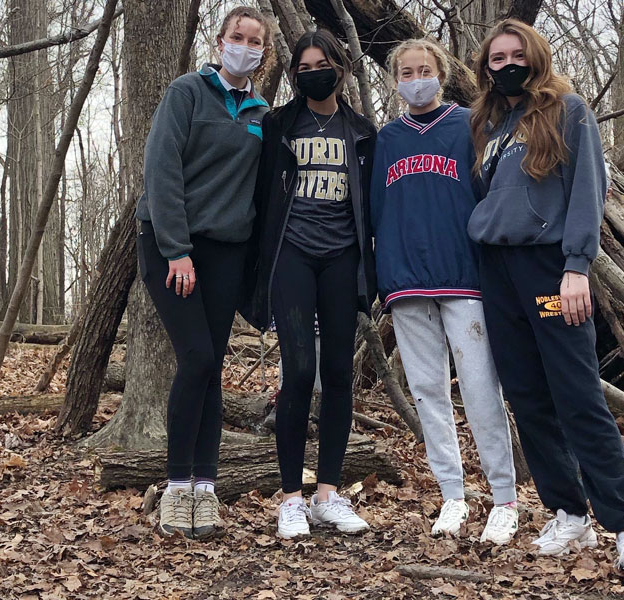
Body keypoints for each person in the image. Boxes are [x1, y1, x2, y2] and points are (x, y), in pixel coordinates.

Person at [466, 19, 624, 587]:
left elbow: (587, 189)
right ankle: (570, 513)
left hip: (550, 272)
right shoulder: (489, 124)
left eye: (515, 55)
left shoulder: (568, 110)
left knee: (576, 395)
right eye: (495, 58)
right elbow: (485, 200)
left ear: (535, 58)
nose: (506, 65)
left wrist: (577, 266)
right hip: (497, 275)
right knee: (527, 397)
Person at [371, 38, 519, 545]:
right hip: (406, 283)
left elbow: (496, 191)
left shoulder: (469, 124)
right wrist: (381, 276)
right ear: (396, 81)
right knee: (428, 392)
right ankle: (452, 496)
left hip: (464, 278)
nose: (417, 79)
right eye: (407, 72)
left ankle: (504, 499)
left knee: (481, 390)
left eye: (425, 69)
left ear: (440, 72)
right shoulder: (387, 140)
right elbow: (374, 214)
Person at [135, 7, 272, 539]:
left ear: (263, 52)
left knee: (211, 364)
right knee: (194, 357)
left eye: (254, 40)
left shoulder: (264, 115)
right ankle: (176, 486)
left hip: (227, 254)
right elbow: (162, 168)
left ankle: (206, 488)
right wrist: (176, 249)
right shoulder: (187, 92)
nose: (244, 45)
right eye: (236, 36)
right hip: (172, 247)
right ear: (220, 41)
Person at [243, 30, 376, 539]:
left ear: (340, 68)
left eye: (322, 64)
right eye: (303, 67)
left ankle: (328, 494)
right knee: (299, 371)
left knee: (339, 373)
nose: (312, 72)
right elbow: (255, 195)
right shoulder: (278, 124)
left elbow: (373, 207)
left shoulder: (362, 131)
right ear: (294, 74)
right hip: (292, 257)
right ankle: (291, 499)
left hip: (343, 259)